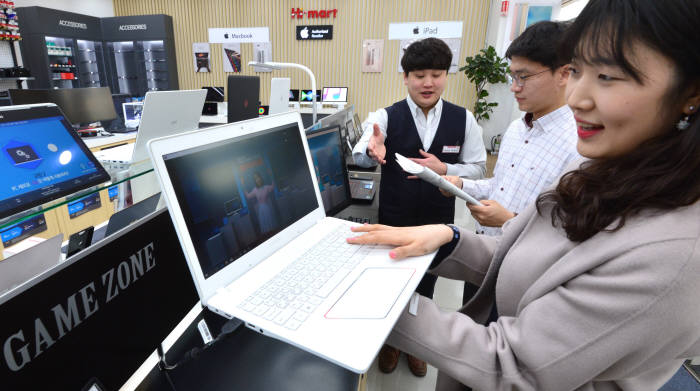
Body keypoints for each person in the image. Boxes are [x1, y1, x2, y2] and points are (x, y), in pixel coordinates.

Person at [347, 0, 700, 389]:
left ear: (690, 91)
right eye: (578, 71)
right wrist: (450, 239)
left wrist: (374, 302)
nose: (578, 98)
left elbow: (514, 366)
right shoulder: (600, 170)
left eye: (609, 76)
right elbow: (531, 259)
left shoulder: (672, 251)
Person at [351, 37, 487, 376]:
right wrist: (371, 147)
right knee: (390, 280)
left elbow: (479, 168)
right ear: (406, 77)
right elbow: (361, 148)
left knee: (427, 281)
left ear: (446, 76)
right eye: (419, 75)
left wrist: (446, 169)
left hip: (437, 221)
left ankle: (417, 344)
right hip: (395, 218)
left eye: (437, 74)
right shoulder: (386, 116)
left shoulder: (464, 119)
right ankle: (393, 340)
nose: (428, 83)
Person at [444, 21, 580, 237]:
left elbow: (574, 226)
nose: (514, 87)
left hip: (525, 262)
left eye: (523, 77)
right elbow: (500, 186)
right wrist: (460, 184)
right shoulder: (517, 129)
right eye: (513, 76)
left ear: (564, 74)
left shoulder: (579, 144)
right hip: (487, 248)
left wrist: (509, 221)